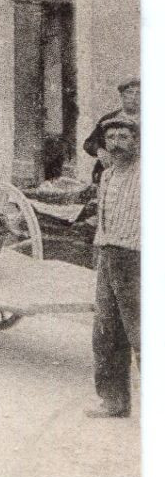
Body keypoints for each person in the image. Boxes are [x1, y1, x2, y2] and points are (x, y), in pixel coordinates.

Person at [87, 115, 140, 418]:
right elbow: (104, 218)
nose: (116, 144)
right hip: (109, 255)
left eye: (123, 137)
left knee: (141, 332)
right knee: (106, 331)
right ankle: (113, 401)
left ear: (135, 141)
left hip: (137, 258)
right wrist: (100, 248)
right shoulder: (107, 175)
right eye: (111, 139)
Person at [82, 76, 141, 185]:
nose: (133, 97)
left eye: (138, 93)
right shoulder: (109, 119)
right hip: (108, 174)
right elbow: (88, 143)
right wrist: (100, 151)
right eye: (129, 92)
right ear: (122, 95)